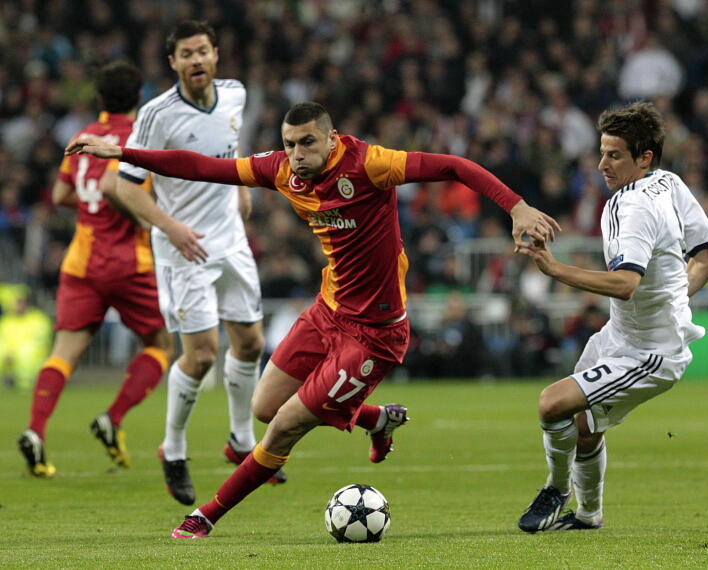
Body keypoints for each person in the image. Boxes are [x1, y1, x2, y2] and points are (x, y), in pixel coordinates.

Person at [66, 100, 560, 538]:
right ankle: (377, 418)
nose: (297, 153)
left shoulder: (372, 164)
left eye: (307, 143)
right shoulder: (281, 170)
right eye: (289, 144)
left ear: (331, 139)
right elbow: (201, 167)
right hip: (328, 311)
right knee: (263, 406)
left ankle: (206, 516)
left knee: (282, 427)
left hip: (375, 335)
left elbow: (453, 165)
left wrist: (516, 207)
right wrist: (124, 153)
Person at [515, 101, 708, 532]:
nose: (601, 165)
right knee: (585, 425)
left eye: (614, 155)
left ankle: (557, 488)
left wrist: (556, 269)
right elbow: (707, 259)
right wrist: (673, 302)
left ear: (644, 157)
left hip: (649, 353)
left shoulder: (634, 208)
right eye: (601, 152)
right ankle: (588, 515)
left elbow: (626, 284)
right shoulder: (670, 183)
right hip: (619, 335)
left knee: (552, 404)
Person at [114, 20, 282, 505]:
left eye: (202, 51)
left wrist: (242, 187)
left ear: (215, 54)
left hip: (230, 241)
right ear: (173, 63)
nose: (196, 61)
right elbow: (126, 186)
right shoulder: (156, 114)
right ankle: (173, 448)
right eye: (186, 54)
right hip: (182, 250)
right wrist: (172, 228)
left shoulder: (235, 94)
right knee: (203, 353)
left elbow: (230, 147)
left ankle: (241, 440)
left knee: (250, 343)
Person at [17, 60, 174, 478]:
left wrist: (91, 207)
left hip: (81, 259)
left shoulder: (82, 137)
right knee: (161, 345)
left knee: (64, 352)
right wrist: (145, 218)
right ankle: (113, 417)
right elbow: (124, 190)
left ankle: (35, 430)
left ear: (100, 98)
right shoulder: (138, 138)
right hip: (128, 260)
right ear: (138, 97)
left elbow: (60, 194)